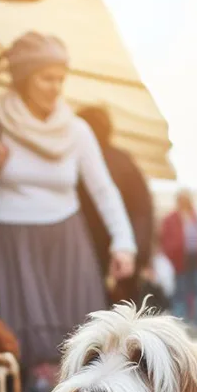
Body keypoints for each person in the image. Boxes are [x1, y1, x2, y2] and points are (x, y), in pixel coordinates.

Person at [0, 32, 135, 392]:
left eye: (61, 78)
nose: (56, 87)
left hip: (67, 245)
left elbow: (104, 191)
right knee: (17, 347)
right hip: (11, 246)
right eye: (46, 77)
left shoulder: (76, 130)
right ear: (24, 77)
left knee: (76, 344)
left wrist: (124, 243)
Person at [77, 105, 154, 303]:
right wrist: (140, 252)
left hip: (89, 249)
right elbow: (143, 210)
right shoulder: (125, 161)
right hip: (123, 250)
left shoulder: (78, 161)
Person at [160, 189, 197, 338]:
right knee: (180, 293)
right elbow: (165, 241)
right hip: (180, 262)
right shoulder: (170, 219)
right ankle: (179, 324)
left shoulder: (196, 217)